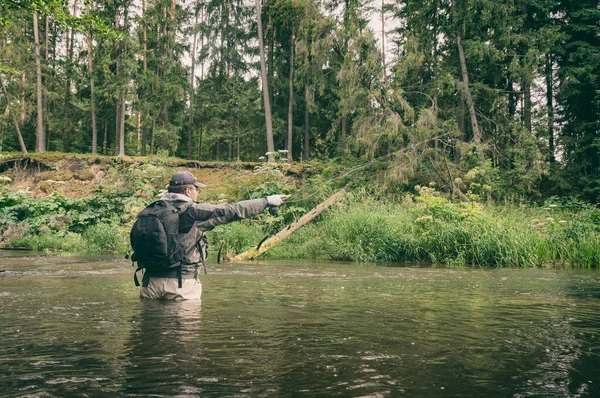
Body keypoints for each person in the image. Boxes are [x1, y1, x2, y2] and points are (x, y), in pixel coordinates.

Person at [131, 170, 288, 300]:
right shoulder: (191, 212)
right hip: (180, 286)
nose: (197, 193)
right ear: (188, 191)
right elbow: (232, 210)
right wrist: (266, 201)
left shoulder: (152, 209)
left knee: (150, 334)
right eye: (196, 189)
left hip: (149, 285)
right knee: (183, 336)